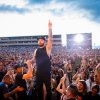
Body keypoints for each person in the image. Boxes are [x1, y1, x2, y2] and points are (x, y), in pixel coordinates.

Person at [32, 20, 53, 100]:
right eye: (38, 40)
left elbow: (50, 39)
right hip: (38, 73)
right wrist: (29, 62)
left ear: (44, 41)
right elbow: (33, 60)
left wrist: (50, 28)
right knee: (39, 90)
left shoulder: (47, 48)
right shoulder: (36, 50)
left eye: (41, 40)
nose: (39, 41)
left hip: (46, 73)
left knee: (48, 90)